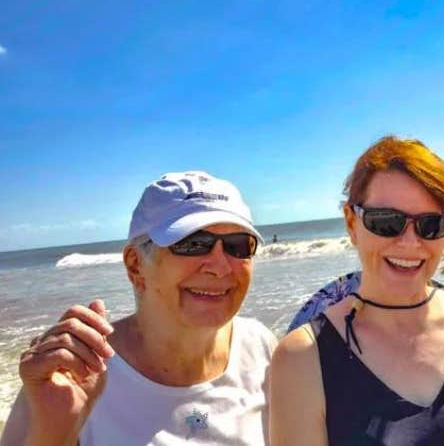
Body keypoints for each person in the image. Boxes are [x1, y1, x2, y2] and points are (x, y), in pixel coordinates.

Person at [270, 136, 444, 445]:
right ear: (352, 223)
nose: (409, 242)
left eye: (430, 225)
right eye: (386, 222)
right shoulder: (303, 357)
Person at [1, 171, 276, 446]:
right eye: (193, 244)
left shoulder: (261, 348)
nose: (220, 266)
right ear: (135, 264)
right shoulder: (72, 373)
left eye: (238, 246)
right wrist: (53, 432)